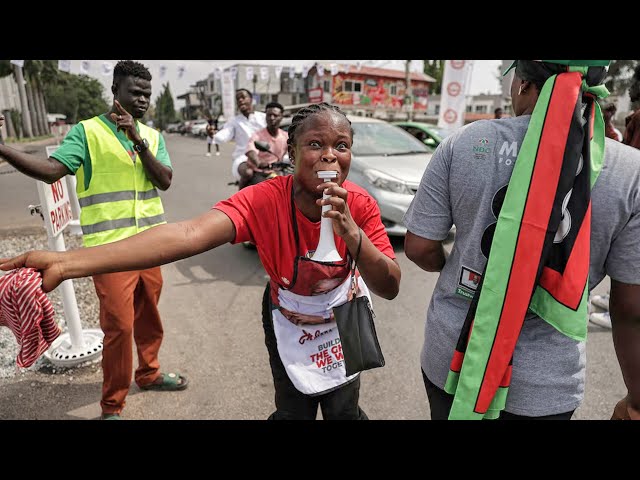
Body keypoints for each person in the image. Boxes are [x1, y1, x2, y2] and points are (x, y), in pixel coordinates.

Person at [0, 102, 401, 420]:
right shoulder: (265, 199)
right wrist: (67, 263)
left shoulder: (360, 205)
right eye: (315, 145)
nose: (329, 156)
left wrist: (354, 237)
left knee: (343, 408)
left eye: (341, 146)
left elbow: (390, 285)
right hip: (287, 315)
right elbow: (189, 234)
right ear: (292, 153)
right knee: (293, 406)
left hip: (341, 315)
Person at [403, 60, 640, 420]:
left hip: (453, 358)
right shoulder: (630, 172)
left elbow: (420, 247)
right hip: (545, 385)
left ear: (524, 83)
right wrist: (636, 399)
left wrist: (454, 266)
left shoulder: (466, 142)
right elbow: (630, 309)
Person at [0, 60, 187, 420]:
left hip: (151, 244)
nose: (143, 100)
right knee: (119, 327)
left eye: (147, 94)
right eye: (135, 93)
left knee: (149, 316)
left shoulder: (153, 135)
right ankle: (112, 406)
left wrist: (138, 140)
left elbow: (164, 180)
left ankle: (148, 374)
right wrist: (4, 149)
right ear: (115, 91)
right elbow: (54, 170)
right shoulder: (86, 132)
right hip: (110, 252)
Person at [213, 89, 266, 182]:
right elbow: (225, 134)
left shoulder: (264, 118)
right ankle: (241, 195)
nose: (240, 100)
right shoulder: (234, 121)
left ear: (251, 99)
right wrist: (214, 134)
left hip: (266, 157)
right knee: (248, 173)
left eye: (243, 97)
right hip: (243, 158)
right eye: (238, 99)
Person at [241, 102, 289, 189]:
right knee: (260, 191)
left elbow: (296, 150)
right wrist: (258, 162)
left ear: (281, 117)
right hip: (260, 171)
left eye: (275, 115)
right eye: (269, 115)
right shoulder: (257, 135)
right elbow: (251, 151)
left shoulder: (286, 136)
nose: (272, 118)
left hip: (278, 171)